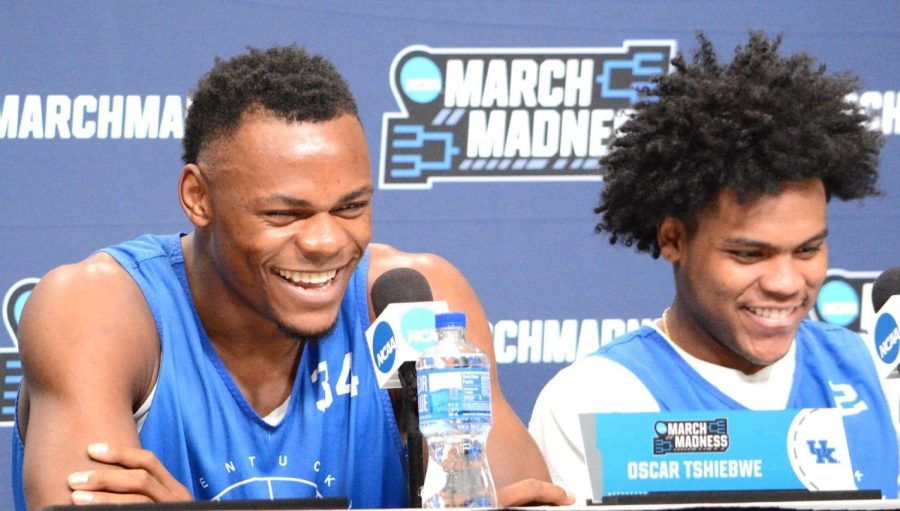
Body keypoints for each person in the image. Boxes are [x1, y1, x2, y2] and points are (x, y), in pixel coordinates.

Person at [13, 45, 572, 510]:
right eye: (285, 215)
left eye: (350, 207)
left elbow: (528, 500)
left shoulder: (412, 301)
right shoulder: (97, 307)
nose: (326, 241)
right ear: (198, 197)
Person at [529, 32, 898, 502]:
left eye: (807, 250)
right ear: (673, 240)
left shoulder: (878, 378)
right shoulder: (597, 402)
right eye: (749, 254)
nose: (786, 283)